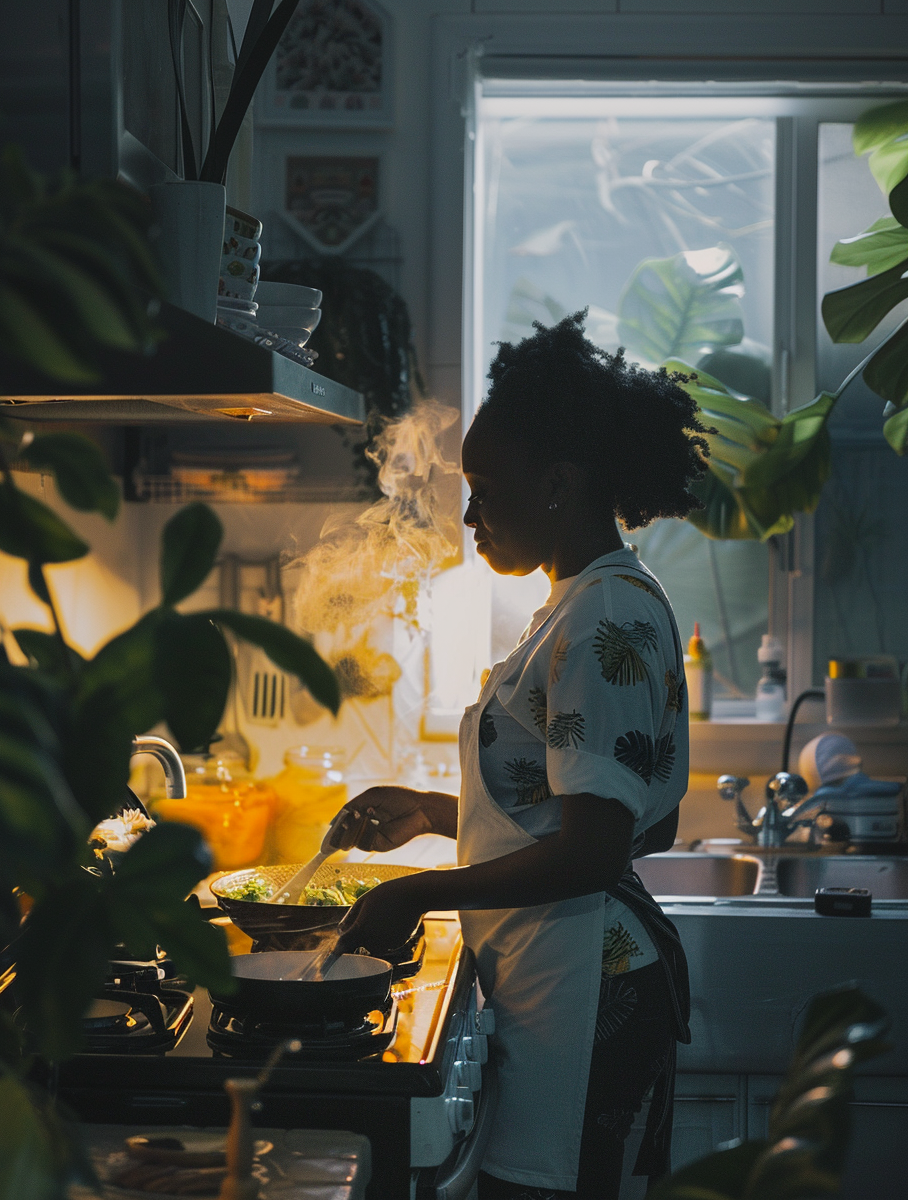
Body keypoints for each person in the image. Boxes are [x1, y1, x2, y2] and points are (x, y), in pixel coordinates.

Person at [332, 312, 711, 1200]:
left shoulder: (602, 617)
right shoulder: (587, 598)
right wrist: (435, 815)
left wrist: (419, 890)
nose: (470, 517)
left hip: (585, 991)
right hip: (558, 979)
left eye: (485, 490)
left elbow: (596, 848)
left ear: (558, 485)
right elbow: (567, 811)